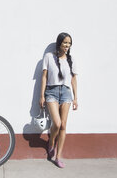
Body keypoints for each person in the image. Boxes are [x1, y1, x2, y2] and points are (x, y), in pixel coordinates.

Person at [40, 32, 78, 168]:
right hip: (51, 91)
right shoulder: (49, 57)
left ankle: (58, 156)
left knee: (63, 125)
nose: (67, 45)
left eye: (69, 43)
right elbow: (44, 77)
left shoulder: (71, 59)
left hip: (66, 93)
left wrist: (75, 98)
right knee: (56, 123)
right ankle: (51, 143)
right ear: (59, 43)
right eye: (65, 43)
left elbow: (73, 79)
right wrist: (41, 95)